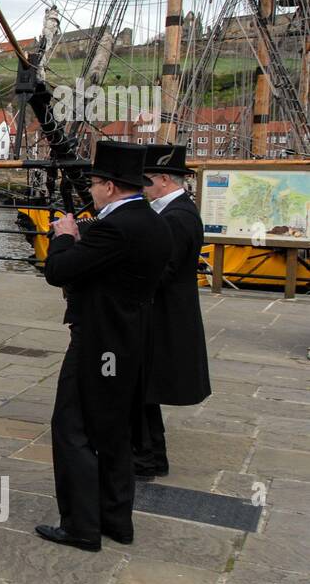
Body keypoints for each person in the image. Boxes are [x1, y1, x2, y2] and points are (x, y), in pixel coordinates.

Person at [38, 142, 171, 552]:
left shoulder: (116, 227)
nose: (91, 191)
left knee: (72, 428)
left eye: (95, 184)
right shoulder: (152, 221)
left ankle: (80, 525)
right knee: (114, 431)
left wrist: (64, 236)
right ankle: (117, 520)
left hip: (99, 340)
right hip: (131, 338)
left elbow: (58, 271)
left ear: (110, 187)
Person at [137, 144, 211, 479]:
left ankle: (149, 457)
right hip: (163, 312)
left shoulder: (177, 217)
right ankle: (149, 454)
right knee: (143, 388)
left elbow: (162, 270)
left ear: (164, 179)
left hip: (164, 315)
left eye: (146, 180)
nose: (142, 187)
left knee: (144, 386)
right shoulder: (177, 211)